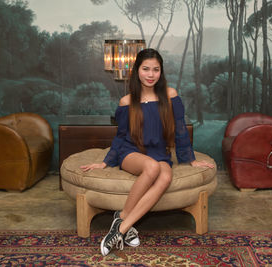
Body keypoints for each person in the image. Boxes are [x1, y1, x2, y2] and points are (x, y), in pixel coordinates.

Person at [80, 48, 214, 256]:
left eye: (156, 69)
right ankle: (123, 224)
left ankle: (121, 224)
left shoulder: (170, 95)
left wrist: (190, 159)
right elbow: (120, 136)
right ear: (137, 71)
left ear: (161, 72)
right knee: (151, 168)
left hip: (159, 152)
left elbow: (180, 129)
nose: (151, 74)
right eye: (145, 69)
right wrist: (105, 162)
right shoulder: (126, 101)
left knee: (165, 176)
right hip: (131, 153)